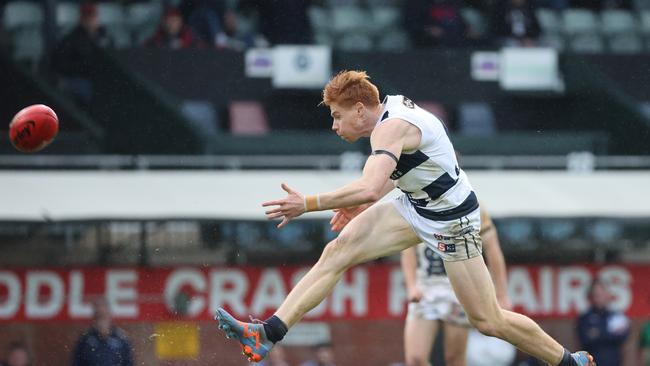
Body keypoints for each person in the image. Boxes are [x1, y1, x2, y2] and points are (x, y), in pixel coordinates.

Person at [215, 70, 594, 366]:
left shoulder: (390, 127)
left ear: (360, 109)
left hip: (452, 221)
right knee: (339, 250)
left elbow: (368, 187)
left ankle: (566, 360)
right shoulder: (388, 112)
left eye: (337, 116)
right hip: (415, 205)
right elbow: (390, 179)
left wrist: (308, 203)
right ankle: (267, 333)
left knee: (488, 320)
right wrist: (359, 203)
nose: (335, 125)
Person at [402, 206, 511, 366]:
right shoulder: (416, 204)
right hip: (426, 287)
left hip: (459, 288)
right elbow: (407, 249)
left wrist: (501, 295)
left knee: (455, 359)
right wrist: (411, 286)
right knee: (415, 359)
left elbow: (493, 251)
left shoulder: (470, 205)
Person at [577, 277, 629, 366]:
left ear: (607, 295)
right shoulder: (584, 318)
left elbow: (623, 336)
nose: (599, 297)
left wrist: (598, 333)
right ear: (591, 296)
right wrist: (610, 332)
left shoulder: (616, 316)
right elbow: (586, 339)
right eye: (596, 294)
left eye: (601, 294)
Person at [72, 298, 134, 366]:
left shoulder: (121, 339)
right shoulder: (85, 340)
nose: (101, 320)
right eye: (98, 316)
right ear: (93, 317)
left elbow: (129, 363)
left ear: (109, 315)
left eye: (103, 315)